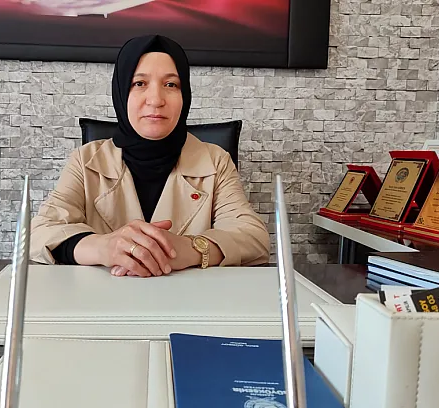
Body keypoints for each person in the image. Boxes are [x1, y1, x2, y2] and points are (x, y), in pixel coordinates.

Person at [29, 34, 270, 277]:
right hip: (104, 296)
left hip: (191, 297)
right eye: (139, 83)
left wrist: (191, 248)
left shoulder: (216, 161)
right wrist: (104, 247)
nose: (155, 100)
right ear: (121, 92)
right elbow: (39, 233)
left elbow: (254, 239)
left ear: (185, 95)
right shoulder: (86, 160)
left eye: (171, 85)